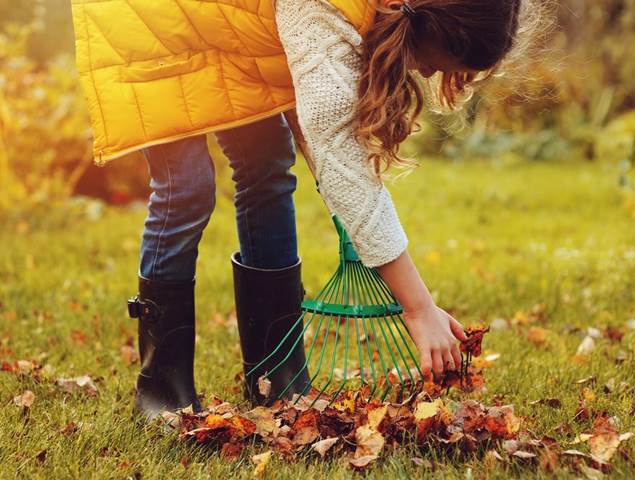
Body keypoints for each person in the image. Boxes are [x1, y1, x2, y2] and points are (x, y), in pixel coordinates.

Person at [72, 0, 526, 418]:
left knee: (267, 166)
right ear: (435, 26)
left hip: (229, 25)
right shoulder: (323, 5)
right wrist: (418, 307)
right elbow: (336, 142)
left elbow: (321, 127)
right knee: (186, 186)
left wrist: (342, 190)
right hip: (149, 17)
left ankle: (275, 374)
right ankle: (163, 389)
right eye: (434, 62)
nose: (424, 69)